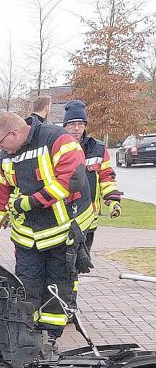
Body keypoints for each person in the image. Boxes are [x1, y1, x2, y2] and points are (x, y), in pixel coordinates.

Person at [0, 112, 91, 347]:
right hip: (27, 239)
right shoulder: (3, 160)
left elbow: (70, 180)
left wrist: (30, 202)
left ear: (14, 133)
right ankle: (26, 336)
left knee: (57, 286)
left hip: (62, 234)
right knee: (25, 287)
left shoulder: (58, 140)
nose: (0, 148)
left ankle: (50, 337)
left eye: (1, 142)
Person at [61, 100, 122, 254]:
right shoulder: (56, 147)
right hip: (62, 215)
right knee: (64, 262)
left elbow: (106, 177)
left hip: (89, 215)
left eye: (80, 124)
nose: (76, 128)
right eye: (72, 124)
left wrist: (113, 200)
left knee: (83, 259)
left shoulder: (98, 148)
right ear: (64, 125)